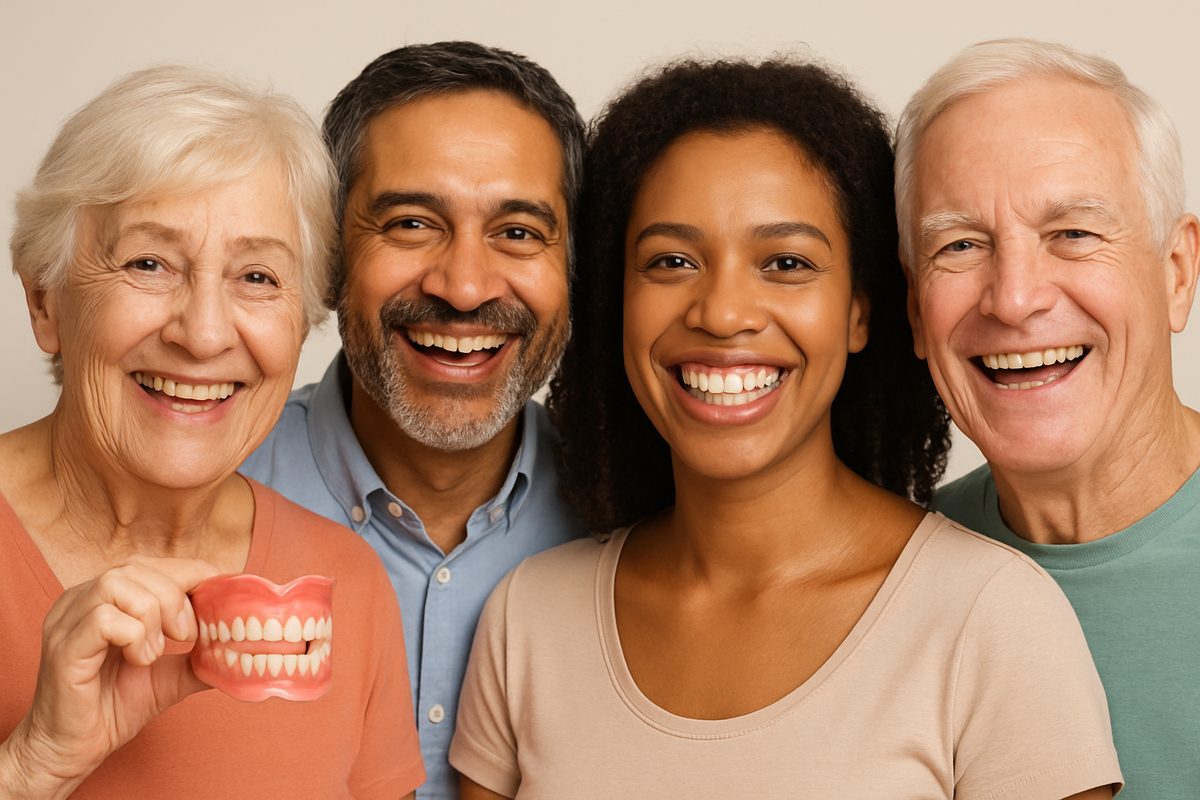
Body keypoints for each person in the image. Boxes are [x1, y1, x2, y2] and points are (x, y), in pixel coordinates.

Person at [449, 57, 1122, 799]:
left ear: (861, 310)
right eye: (671, 260)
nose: (723, 311)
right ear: (617, 302)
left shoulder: (991, 619)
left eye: (786, 262)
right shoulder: (528, 620)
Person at [0, 66, 424, 798]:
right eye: (149, 263)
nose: (201, 335)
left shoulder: (346, 584)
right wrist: (33, 763)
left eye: (257, 277)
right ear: (45, 302)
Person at [240, 41, 586, 797]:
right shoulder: (204, 490)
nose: (463, 286)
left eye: (519, 232)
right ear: (330, 257)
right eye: (409, 223)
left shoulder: (635, 517)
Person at [896, 38, 1200, 799]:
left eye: (1073, 234)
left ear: (1177, 273)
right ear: (912, 310)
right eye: (960, 245)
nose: (1014, 297)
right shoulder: (884, 589)